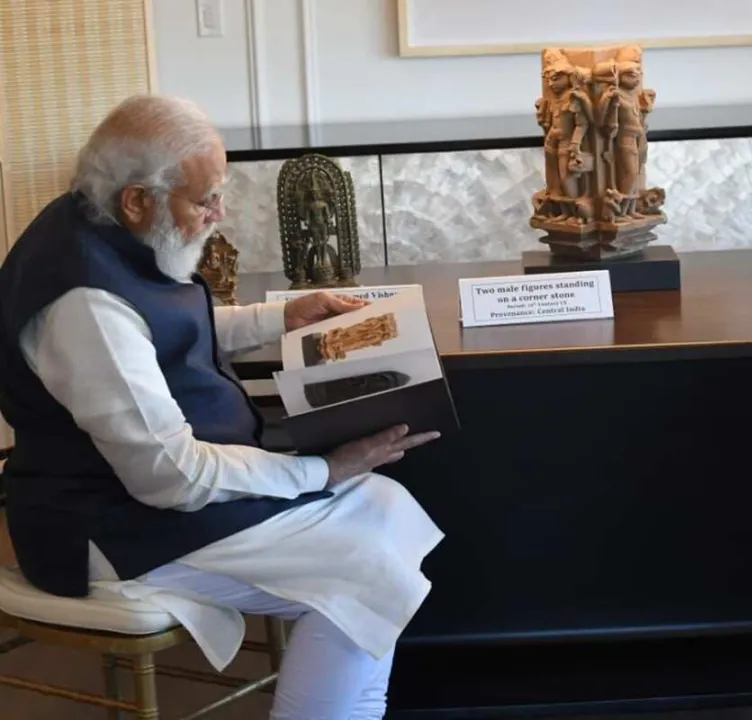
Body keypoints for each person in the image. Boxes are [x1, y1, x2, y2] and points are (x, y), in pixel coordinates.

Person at [0, 94, 444, 720]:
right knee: (364, 564)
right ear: (137, 200)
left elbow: (161, 330)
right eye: (204, 199)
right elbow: (171, 477)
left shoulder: (101, 223)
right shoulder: (85, 305)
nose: (219, 213)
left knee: (384, 509)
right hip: (107, 524)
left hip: (146, 493)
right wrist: (322, 470)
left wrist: (281, 317)